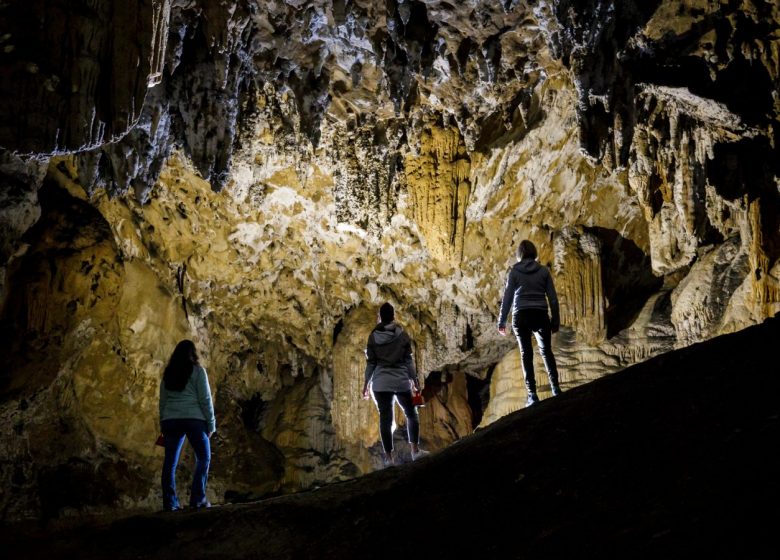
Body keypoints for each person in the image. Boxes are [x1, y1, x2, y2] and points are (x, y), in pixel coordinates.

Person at [497, 239, 562, 407]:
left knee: (526, 354)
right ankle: (555, 388)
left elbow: (508, 298)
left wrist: (502, 321)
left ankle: (532, 395)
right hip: (540, 314)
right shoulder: (543, 271)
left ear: (519, 255)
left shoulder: (514, 272)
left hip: (521, 315)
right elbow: (553, 299)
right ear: (534, 253)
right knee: (546, 351)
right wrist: (556, 319)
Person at [362, 302, 428, 466]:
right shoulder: (402, 335)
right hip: (400, 381)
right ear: (393, 316)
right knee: (411, 414)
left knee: (386, 418)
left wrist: (365, 385)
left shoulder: (372, 337)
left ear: (379, 317)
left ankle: (389, 459)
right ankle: (414, 451)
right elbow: (408, 361)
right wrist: (415, 381)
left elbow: (371, 364)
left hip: (380, 383)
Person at [159, 339, 216, 511]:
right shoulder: (198, 372)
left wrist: (163, 422)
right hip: (194, 420)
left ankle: (170, 503)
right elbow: (205, 399)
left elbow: (162, 401)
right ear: (193, 354)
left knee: (170, 463)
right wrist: (211, 424)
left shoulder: (168, 374)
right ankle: (198, 499)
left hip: (171, 420)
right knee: (204, 457)